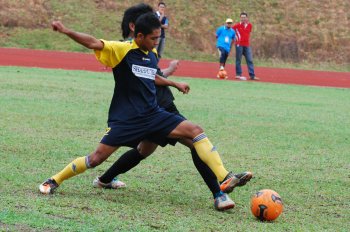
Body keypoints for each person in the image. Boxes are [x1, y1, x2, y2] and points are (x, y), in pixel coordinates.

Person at [38, 12, 249, 211]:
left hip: (153, 114)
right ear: (139, 36)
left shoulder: (151, 53)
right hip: (126, 120)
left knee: (195, 131)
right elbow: (93, 42)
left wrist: (173, 83)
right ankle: (55, 179)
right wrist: (66, 31)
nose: (157, 42)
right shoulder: (121, 50)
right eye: (153, 38)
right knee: (95, 159)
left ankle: (224, 177)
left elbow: (152, 76)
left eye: (158, 37)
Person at [232, 12, 259, 81]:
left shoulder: (250, 25)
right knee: (238, 60)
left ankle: (252, 75)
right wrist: (235, 39)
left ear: (247, 18)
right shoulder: (236, 26)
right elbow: (230, 32)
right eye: (242, 17)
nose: (243, 18)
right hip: (239, 45)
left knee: (250, 60)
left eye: (244, 17)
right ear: (240, 18)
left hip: (247, 45)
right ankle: (238, 74)